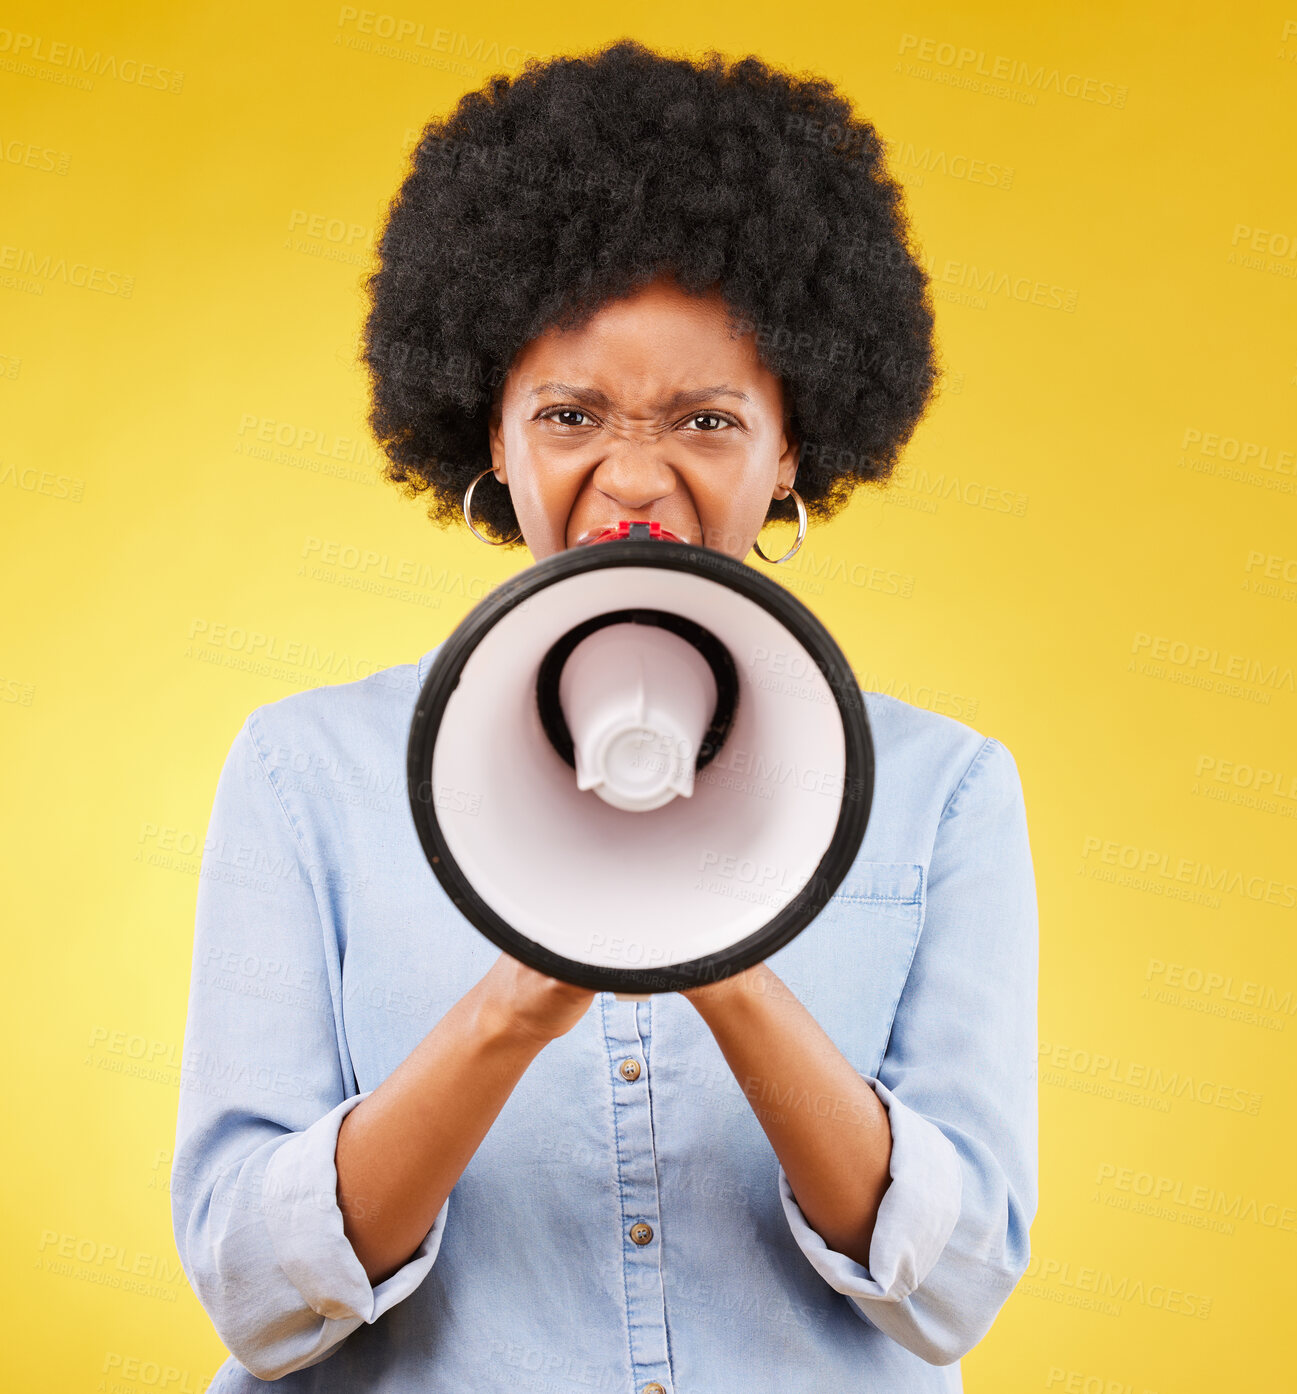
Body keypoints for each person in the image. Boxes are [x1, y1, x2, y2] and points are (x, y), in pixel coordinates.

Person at [172, 38, 1038, 1392]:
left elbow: (958, 1285)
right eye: (570, 412)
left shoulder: (943, 789)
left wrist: (716, 941)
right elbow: (251, 1290)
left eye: (704, 420)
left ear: (791, 443)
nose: (632, 478)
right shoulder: (308, 772)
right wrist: (520, 996)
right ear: (492, 436)